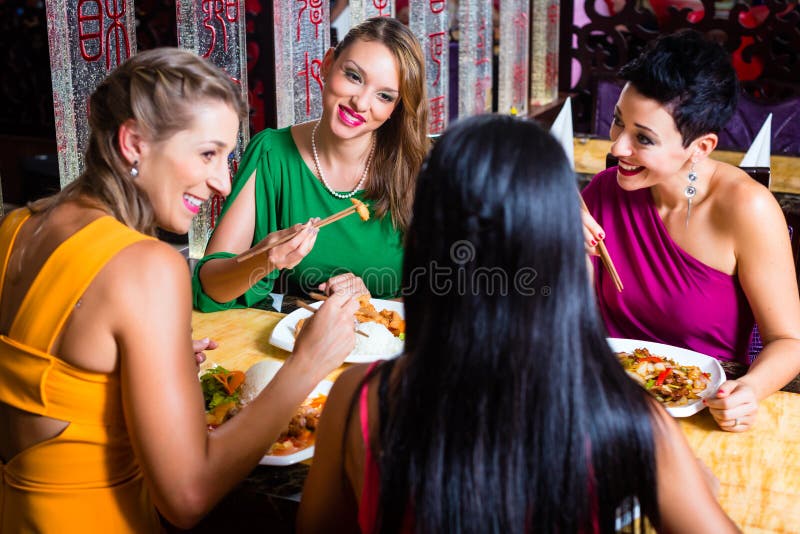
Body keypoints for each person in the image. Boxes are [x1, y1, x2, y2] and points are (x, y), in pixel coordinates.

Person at [297, 115, 739, 533]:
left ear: (422, 245)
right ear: (564, 256)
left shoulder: (357, 400)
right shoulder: (632, 425)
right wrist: (692, 484)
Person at [0, 48, 358, 532]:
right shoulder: (147, 267)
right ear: (134, 143)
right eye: (208, 153)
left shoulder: (19, 227)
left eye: (228, 157)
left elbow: (51, 384)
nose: (224, 183)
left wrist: (142, 364)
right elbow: (188, 497)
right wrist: (308, 362)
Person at [580, 30, 800, 432]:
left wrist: (748, 390)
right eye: (617, 123)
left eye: (643, 138)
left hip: (701, 412)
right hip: (604, 402)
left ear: (700, 147)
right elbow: (571, 312)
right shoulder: (603, 190)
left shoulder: (746, 210)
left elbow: (789, 341)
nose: (617, 148)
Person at [193, 17, 428, 311]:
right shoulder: (272, 154)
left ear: (397, 108)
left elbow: (446, 296)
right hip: (295, 344)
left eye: (384, 96)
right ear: (328, 64)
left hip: (389, 350)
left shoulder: (420, 169)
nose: (361, 103)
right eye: (354, 76)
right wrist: (265, 258)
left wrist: (374, 305)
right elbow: (211, 288)